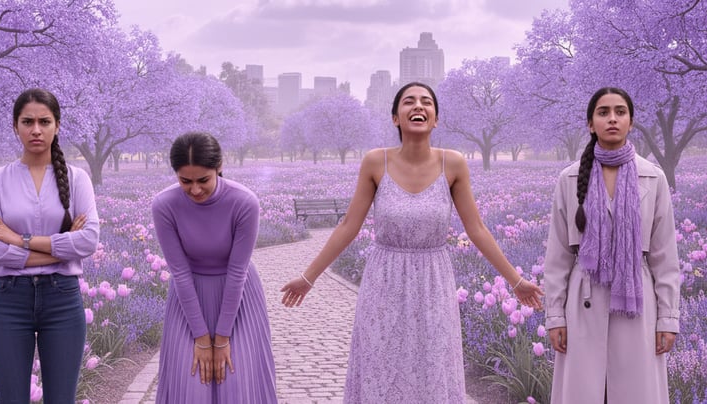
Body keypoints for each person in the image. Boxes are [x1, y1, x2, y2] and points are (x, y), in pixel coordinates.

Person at [280, 82, 544, 402]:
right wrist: (309, 278)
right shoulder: (376, 162)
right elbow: (349, 225)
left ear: (435, 119)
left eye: (426, 102)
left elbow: (477, 229)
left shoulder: (454, 164)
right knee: (381, 367)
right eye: (409, 102)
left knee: (431, 370)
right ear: (395, 118)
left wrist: (516, 282)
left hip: (433, 282)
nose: (418, 106)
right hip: (383, 281)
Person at [544, 87, 680, 403]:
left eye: (620, 112)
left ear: (630, 121)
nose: (612, 119)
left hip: (637, 300)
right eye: (603, 112)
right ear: (591, 123)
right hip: (583, 299)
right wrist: (555, 317)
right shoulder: (568, 179)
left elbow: (664, 257)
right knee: (584, 392)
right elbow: (558, 257)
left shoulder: (652, 178)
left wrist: (668, 319)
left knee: (635, 391)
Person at [0, 88, 100, 403]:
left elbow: (88, 240)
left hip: (62, 299)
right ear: (15, 126)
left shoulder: (77, 179)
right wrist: (60, 250)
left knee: (61, 399)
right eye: (27, 121)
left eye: (44, 121)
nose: (36, 129)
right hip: (9, 301)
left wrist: (19, 240)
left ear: (57, 126)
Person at [152, 132, 277, 403]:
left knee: (235, 383)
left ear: (219, 166)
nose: (195, 190)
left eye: (203, 180)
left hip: (238, 299)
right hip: (188, 298)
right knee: (192, 383)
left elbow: (237, 273)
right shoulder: (164, 205)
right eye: (185, 181)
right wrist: (200, 337)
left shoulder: (244, 202)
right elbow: (180, 273)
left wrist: (220, 340)